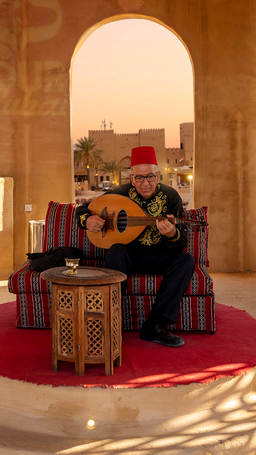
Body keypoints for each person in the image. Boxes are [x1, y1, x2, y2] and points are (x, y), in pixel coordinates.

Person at [76, 146, 195, 347]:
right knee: (116, 251)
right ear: (132, 179)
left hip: (160, 256)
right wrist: (86, 220)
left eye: (149, 177)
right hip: (130, 257)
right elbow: (83, 209)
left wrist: (172, 234)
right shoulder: (120, 193)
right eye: (139, 178)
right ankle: (112, 324)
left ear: (158, 176)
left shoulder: (171, 196)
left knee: (186, 260)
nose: (145, 183)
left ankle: (155, 326)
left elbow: (181, 241)